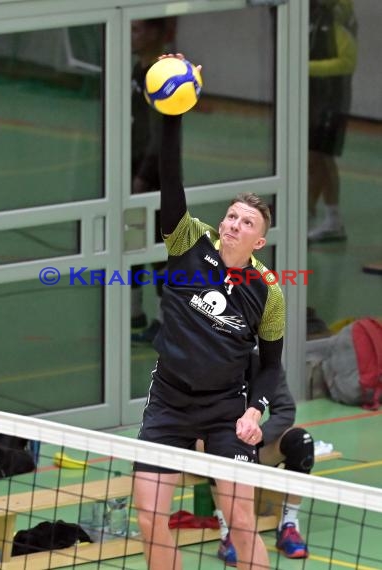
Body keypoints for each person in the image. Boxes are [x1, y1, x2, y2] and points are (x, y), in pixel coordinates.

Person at [133, 53, 286, 570]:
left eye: (246, 221)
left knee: (240, 519)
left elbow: (271, 365)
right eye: (231, 215)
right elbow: (170, 181)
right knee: (151, 516)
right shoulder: (187, 243)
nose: (234, 223)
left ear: (259, 239)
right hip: (169, 401)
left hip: (225, 408)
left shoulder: (268, 291)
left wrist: (253, 410)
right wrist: (171, 115)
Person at [206, 353, 314, 565]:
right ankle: (227, 533)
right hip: (211, 444)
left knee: (301, 441)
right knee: (219, 448)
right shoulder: (209, 360)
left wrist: (257, 437)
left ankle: (288, 525)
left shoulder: (264, 363)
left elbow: (285, 411)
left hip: (252, 444)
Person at [130, 18, 175, 340]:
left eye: (141, 29)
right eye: (132, 29)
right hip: (131, 169)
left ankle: (166, 319)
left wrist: (144, 175)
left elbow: (162, 135)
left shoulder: (164, 74)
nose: (134, 36)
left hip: (157, 174)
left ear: (159, 33)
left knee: (160, 249)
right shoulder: (136, 69)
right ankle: (133, 313)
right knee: (132, 241)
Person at [308, 0, 358, 242]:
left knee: (323, 157)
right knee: (313, 157)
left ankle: (333, 220)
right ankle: (307, 212)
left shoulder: (337, 14)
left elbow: (348, 61)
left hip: (332, 97)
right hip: (313, 98)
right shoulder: (310, 13)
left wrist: (304, 68)